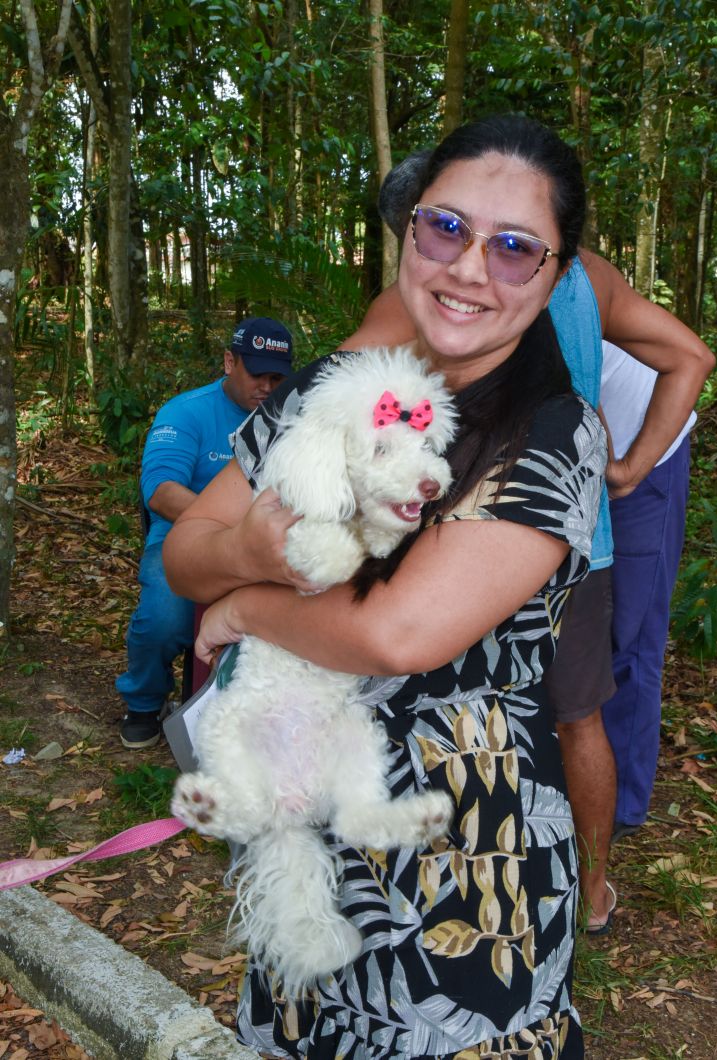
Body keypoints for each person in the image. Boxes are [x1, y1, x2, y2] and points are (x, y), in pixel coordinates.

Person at [165, 114, 607, 1058]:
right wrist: (250, 551)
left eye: (516, 248)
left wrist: (242, 603)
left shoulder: (555, 431)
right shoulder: (332, 386)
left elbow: (400, 634)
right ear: (409, 231)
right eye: (446, 227)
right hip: (310, 841)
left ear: (557, 276)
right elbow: (186, 548)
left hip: (467, 875)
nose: (469, 268)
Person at [346, 151, 715, 933]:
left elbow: (327, 401)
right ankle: (592, 890)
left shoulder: (418, 302)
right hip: (579, 538)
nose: (465, 263)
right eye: (444, 231)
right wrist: (622, 470)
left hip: (467, 542)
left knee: (453, 709)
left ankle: (452, 894)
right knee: (579, 716)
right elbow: (692, 354)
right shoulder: (584, 275)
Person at [116, 317, 293, 750]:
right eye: (257, 374)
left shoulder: (291, 419)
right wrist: (227, 531)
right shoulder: (186, 411)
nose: (267, 387)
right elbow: (160, 491)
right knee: (163, 613)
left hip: (268, 540)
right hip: (182, 536)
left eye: (277, 377)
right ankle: (143, 701)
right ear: (229, 362)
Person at [600, 340, 695, 835]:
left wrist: (627, 468)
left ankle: (616, 814)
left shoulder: (570, 283)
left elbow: (692, 357)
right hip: (578, 456)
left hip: (645, 451)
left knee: (630, 639)